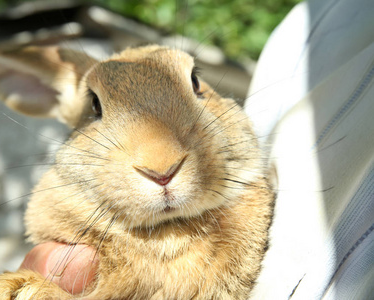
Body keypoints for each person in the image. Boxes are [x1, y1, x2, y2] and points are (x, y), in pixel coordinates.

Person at [20, 0, 374, 298]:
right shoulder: (313, 21)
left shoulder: (250, 186)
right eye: (97, 107)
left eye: (193, 84)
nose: (161, 163)